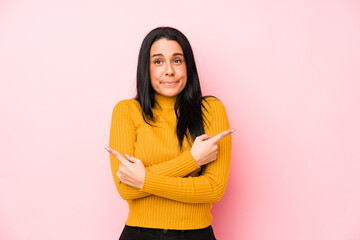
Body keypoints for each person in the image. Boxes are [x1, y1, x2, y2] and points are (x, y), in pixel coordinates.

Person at [106, 26, 233, 240]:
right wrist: (192, 160)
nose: (169, 71)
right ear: (145, 68)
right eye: (158, 61)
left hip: (195, 235)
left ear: (188, 66)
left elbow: (214, 189)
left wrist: (143, 179)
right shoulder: (126, 111)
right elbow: (126, 188)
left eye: (177, 60)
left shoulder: (211, 109)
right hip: (139, 235)